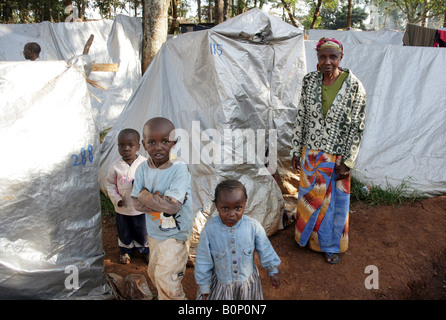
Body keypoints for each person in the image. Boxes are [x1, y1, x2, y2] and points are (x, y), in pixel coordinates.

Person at [290, 38, 366, 264]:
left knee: (332, 205)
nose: (327, 61)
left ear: (340, 58)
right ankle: (307, 240)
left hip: (338, 158)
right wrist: (296, 150)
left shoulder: (354, 86)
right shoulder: (309, 81)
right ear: (317, 58)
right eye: (323, 56)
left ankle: (331, 246)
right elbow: (301, 117)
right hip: (311, 156)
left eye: (333, 57)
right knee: (309, 200)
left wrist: (349, 162)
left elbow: (358, 126)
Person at [131, 117, 193, 300]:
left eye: (165, 141)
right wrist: (161, 200)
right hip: (154, 232)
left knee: (166, 278)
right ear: (143, 144)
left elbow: (173, 206)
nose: (158, 147)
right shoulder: (142, 168)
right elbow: (136, 203)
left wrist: (145, 195)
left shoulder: (179, 168)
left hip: (176, 234)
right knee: (154, 273)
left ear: (173, 142)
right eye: (152, 142)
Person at [194, 180, 281, 300]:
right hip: (222, 284)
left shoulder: (253, 227)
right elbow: (203, 259)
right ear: (216, 206)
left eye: (238, 208)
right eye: (225, 209)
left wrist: (272, 270)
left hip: (247, 284)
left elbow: (265, 249)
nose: (231, 214)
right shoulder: (209, 230)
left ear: (245, 204)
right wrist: (204, 285)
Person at [104, 128, 150, 264]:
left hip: (140, 208)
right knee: (125, 231)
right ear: (118, 146)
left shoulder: (145, 163)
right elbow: (110, 184)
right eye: (121, 145)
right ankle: (126, 251)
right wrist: (116, 199)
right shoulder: (116, 166)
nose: (126, 149)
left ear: (138, 147)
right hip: (123, 208)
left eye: (130, 145)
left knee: (142, 230)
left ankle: (144, 251)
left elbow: (152, 181)